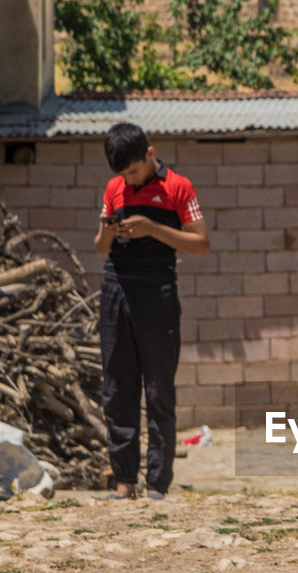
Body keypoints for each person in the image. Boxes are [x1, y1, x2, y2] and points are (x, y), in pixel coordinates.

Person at [94, 122, 209, 500]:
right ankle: (125, 480)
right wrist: (108, 231)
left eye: (133, 171)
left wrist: (151, 228)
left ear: (150, 153)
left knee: (158, 387)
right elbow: (99, 249)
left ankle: (157, 483)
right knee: (116, 388)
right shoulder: (114, 189)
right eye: (122, 175)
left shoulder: (179, 187)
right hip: (116, 289)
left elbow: (200, 244)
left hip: (157, 291)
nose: (128, 179)